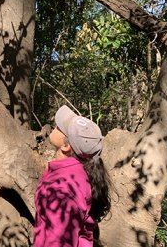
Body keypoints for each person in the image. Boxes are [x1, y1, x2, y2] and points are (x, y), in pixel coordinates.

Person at [33, 105, 111, 247]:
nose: (56, 126)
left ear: (66, 146)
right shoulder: (80, 173)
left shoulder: (61, 189)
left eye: (60, 128)